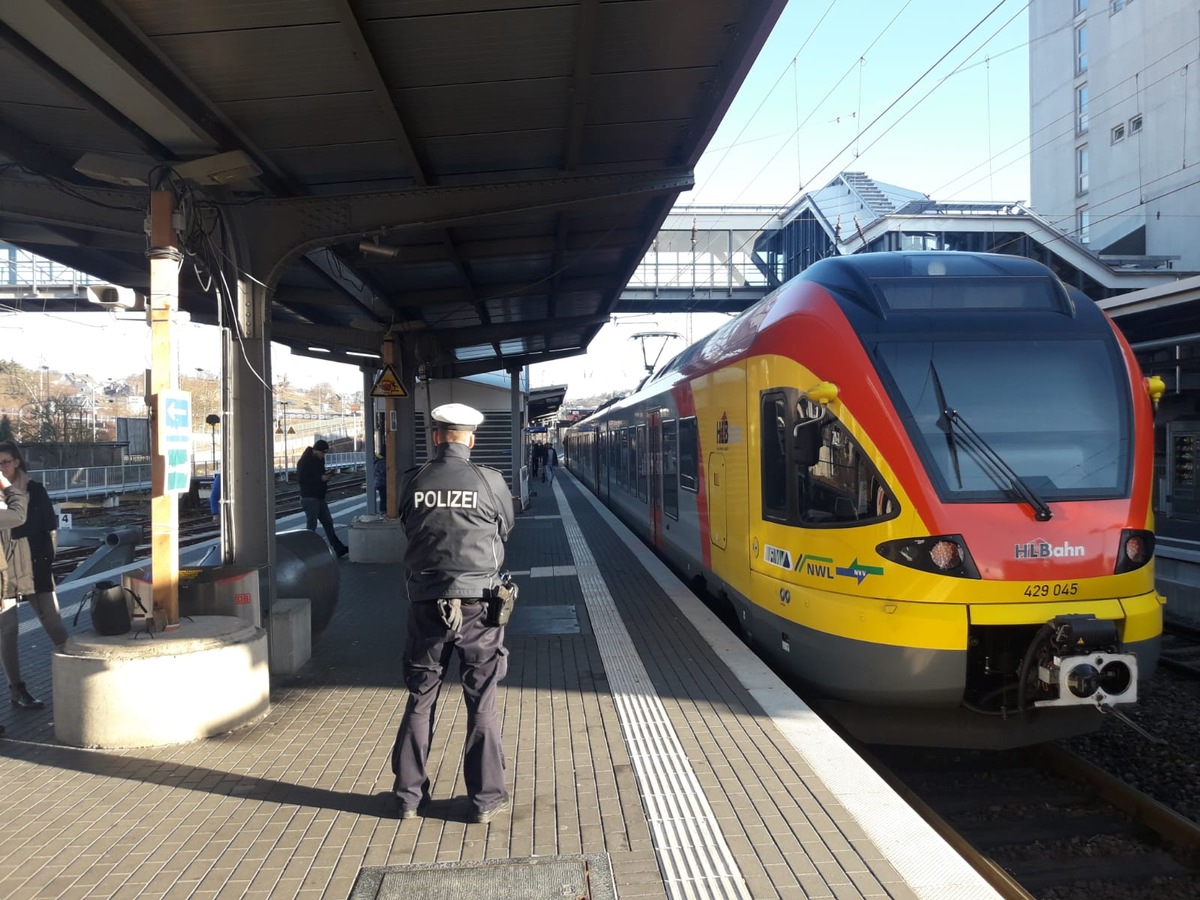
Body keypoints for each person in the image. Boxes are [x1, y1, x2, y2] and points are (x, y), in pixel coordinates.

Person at [390, 403, 515, 824]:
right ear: (471, 438)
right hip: (480, 606)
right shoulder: (490, 480)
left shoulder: (413, 481)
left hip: (426, 602)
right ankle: (484, 800)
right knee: (481, 702)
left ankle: (409, 797)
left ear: (436, 436)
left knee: (420, 699)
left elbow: (405, 525)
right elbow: (506, 529)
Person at [0, 442, 62, 716]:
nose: (2, 468)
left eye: (5, 462)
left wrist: (48, 562)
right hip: (3, 573)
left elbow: (47, 525)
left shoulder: (34, 490)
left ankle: (76, 675)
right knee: (8, 632)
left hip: (35, 568)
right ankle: (17, 689)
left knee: (54, 624)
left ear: (17, 462)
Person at [296, 439, 349, 558]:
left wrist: (327, 475)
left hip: (319, 496)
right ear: (316, 450)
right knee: (312, 525)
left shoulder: (319, 460)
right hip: (309, 497)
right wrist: (320, 478)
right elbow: (301, 479)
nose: (323, 455)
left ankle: (338, 548)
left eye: (324, 453)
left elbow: (318, 474)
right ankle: (306, 551)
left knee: (328, 523)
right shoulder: (304, 461)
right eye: (322, 453)